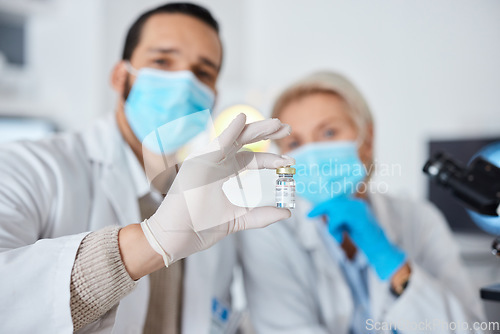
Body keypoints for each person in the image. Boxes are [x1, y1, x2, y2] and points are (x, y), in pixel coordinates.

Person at [0, 3, 294, 333]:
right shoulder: (29, 168)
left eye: (202, 72)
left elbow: (217, 315)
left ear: (213, 97)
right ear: (120, 76)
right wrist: (151, 242)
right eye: (162, 61)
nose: (183, 83)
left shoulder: (216, 197)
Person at [238, 71, 486, 333]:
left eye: (329, 132)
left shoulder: (419, 219)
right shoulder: (269, 231)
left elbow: (470, 330)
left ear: (366, 139)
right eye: (294, 142)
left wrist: (393, 264)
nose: (310, 154)